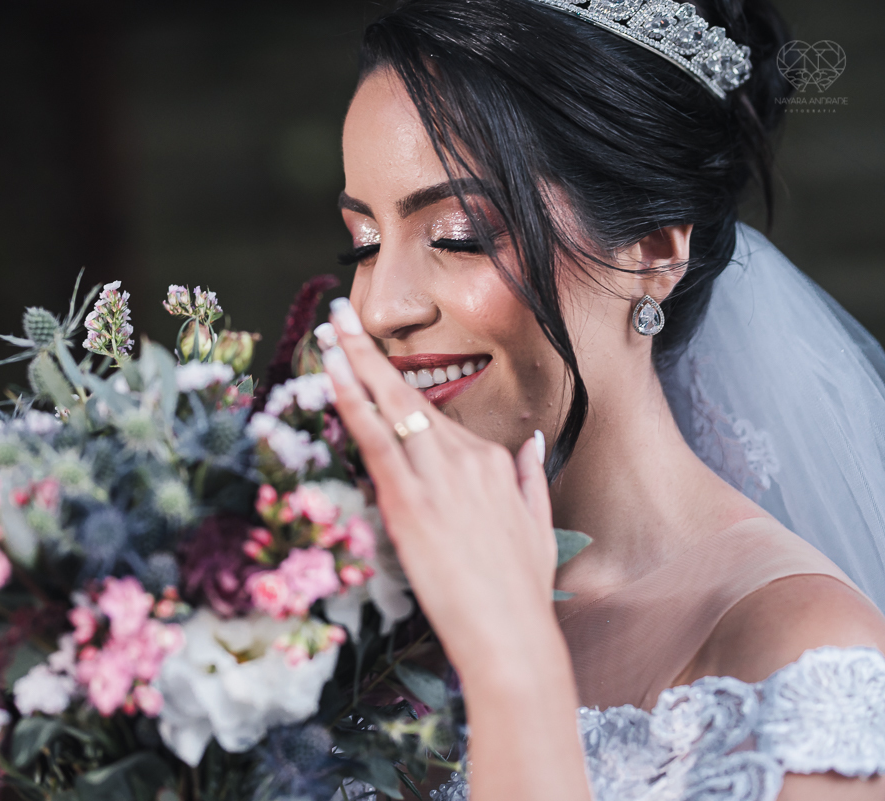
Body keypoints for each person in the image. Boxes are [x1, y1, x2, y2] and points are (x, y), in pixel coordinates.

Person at [315, 0, 885, 798]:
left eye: (456, 236)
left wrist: (514, 667)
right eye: (365, 245)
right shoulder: (341, 600)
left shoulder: (802, 658)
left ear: (651, 252)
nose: (380, 308)